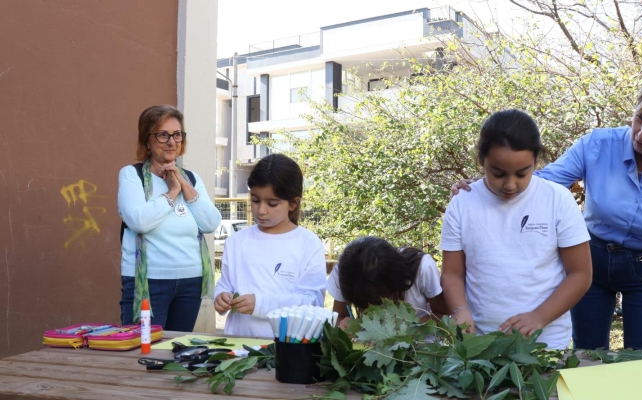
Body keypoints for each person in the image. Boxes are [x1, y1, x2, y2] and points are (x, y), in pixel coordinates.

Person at [452, 72, 642, 352]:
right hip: (592, 261)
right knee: (587, 354)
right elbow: (542, 181)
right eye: (640, 117)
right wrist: (482, 185)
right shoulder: (597, 145)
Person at [441, 109, 592, 350]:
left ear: (536, 161)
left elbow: (580, 274)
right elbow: (451, 273)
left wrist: (539, 317)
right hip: (480, 343)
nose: (510, 185)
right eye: (498, 173)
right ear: (481, 160)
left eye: (523, 173)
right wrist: (460, 310)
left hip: (545, 343)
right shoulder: (462, 204)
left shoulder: (558, 200)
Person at [118, 105, 221, 330]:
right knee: (142, 351)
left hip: (190, 280)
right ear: (147, 139)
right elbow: (139, 221)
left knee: (176, 353)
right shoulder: (131, 175)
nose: (171, 142)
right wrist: (172, 192)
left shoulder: (191, 179)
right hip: (149, 281)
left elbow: (211, 222)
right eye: (162, 135)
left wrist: (184, 185)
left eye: (177, 135)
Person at [213, 153, 327, 338]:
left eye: (272, 203)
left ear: (293, 203)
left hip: (286, 347)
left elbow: (312, 303)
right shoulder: (236, 242)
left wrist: (260, 305)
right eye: (255, 200)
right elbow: (225, 284)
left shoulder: (307, 243)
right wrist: (221, 296)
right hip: (238, 345)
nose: (261, 210)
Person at [328, 236, 449, 328]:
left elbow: (441, 313)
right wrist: (343, 326)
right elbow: (339, 315)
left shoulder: (423, 268)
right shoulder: (345, 273)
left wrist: (407, 330)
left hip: (419, 347)